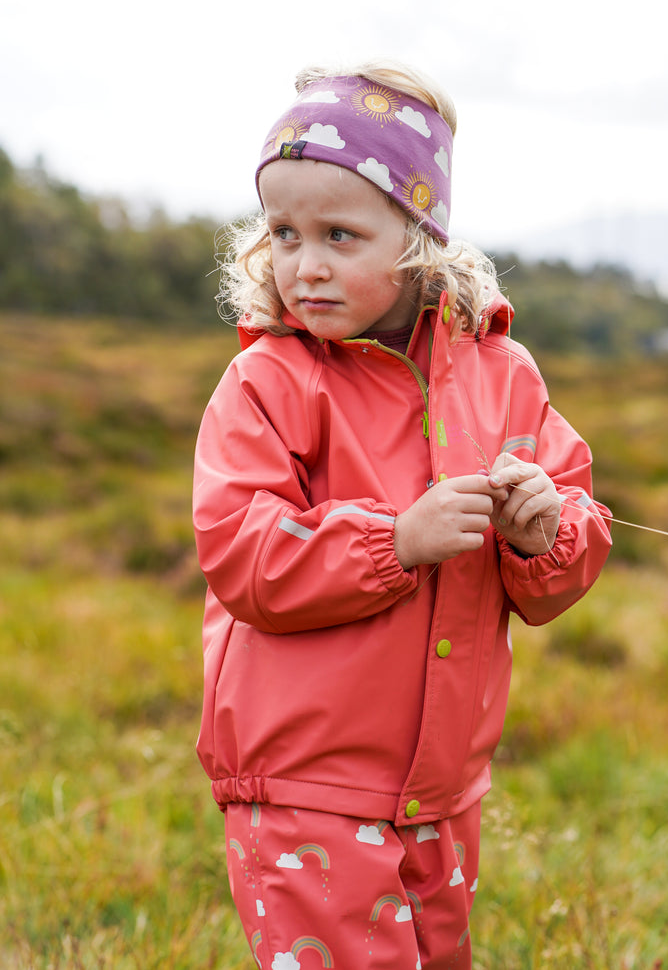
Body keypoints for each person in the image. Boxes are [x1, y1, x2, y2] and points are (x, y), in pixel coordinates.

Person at [193, 60, 612, 970]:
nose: (305, 265)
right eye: (284, 233)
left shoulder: (505, 374)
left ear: (421, 238)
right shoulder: (266, 380)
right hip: (305, 778)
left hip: (441, 787)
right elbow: (243, 555)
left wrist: (545, 536)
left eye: (340, 234)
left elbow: (568, 542)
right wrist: (396, 540)